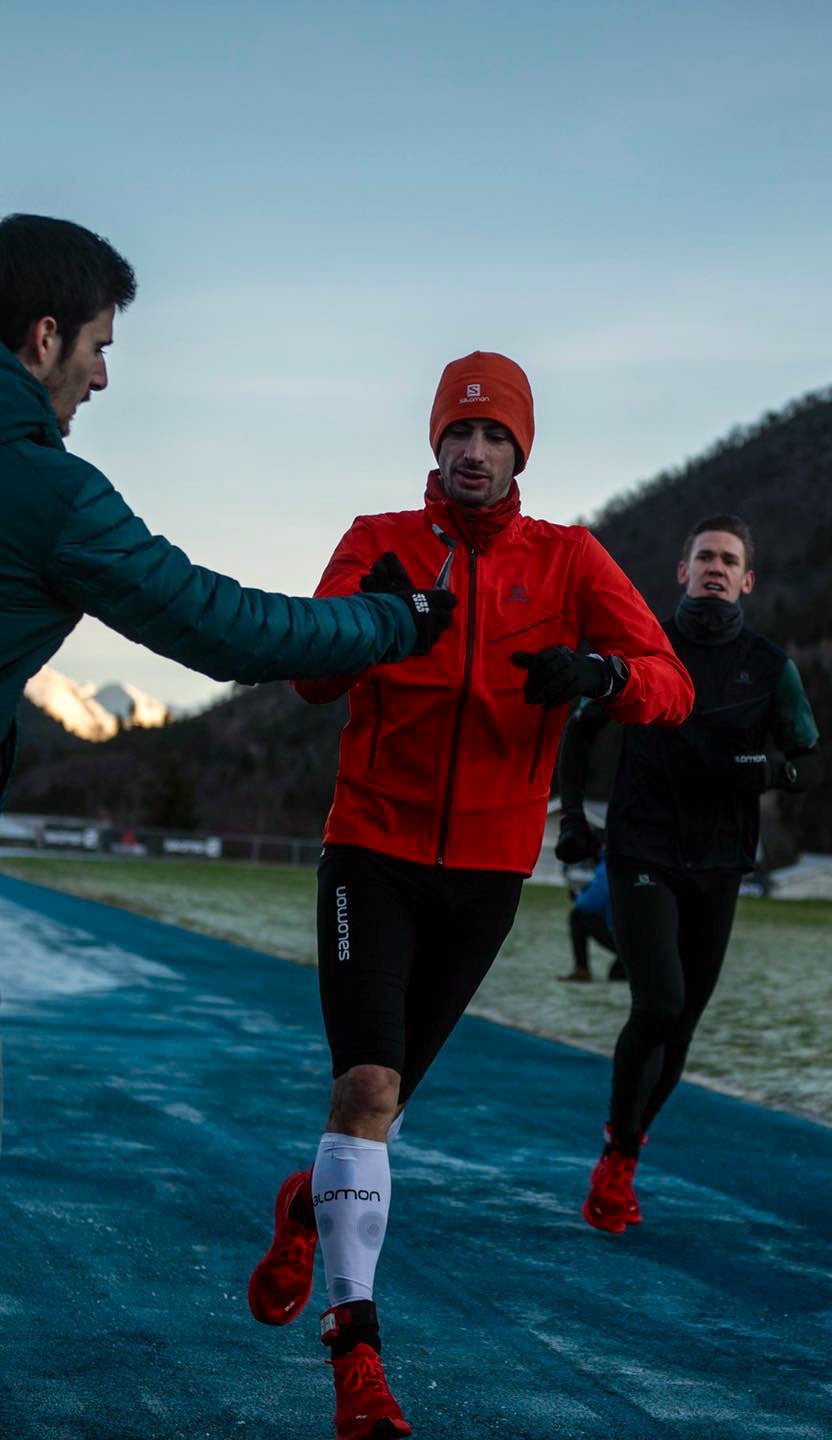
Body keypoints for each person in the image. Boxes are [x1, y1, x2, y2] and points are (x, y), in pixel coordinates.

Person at [246, 350, 695, 1439]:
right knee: (363, 1088)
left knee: (381, 1110)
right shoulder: (380, 540)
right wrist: (378, 622)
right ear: (435, 444)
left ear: (521, 451)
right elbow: (310, 675)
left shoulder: (570, 560)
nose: (476, 452)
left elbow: (668, 687)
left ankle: (308, 1205)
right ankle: (357, 1352)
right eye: (460, 433)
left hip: (489, 871)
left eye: (496, 436)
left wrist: (600, 678)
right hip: (373, 850)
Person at [0, 214, 455, 810]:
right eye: (98, 347)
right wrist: (392, 619)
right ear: (46, 338)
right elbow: (226, 628)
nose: (102, 377)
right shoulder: (49, 494)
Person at [554, 515, 822, 1235]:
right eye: (703, 555)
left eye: (728, 559)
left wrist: (776, 769)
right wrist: (573, 816)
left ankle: (625, 1158)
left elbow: (805, 749)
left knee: (685, 1025)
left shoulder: (769, 667)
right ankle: (616, 1147)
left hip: (721, 863)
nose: (714, 567)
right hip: (642, 851)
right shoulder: (643, 645)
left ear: (747, 579)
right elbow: (579, 730)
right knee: (661, 1002)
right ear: (682, 571)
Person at [561, 852, 624, 982]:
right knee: (617, 975)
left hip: (629, 941)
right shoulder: (622, 864)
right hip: (643, 938)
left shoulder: (607, 865)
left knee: (577, 916)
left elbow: (587, 905)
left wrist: (576, 896)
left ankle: (582, 970)